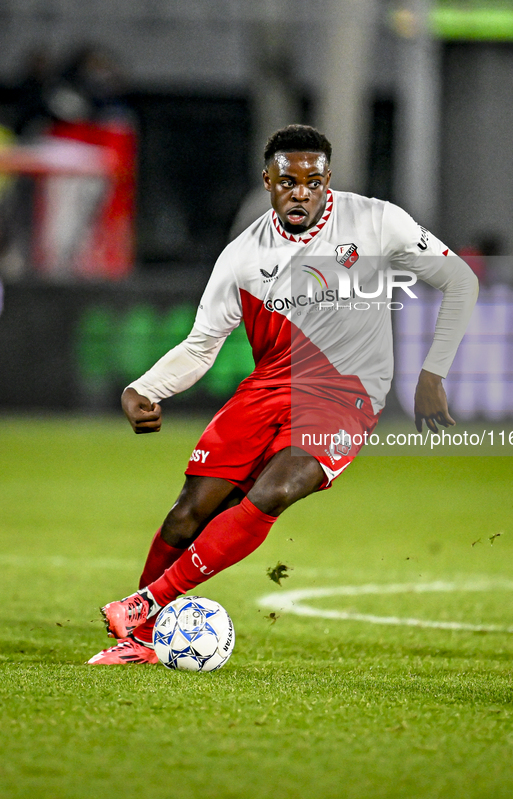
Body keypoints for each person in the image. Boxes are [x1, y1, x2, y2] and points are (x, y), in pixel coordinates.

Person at [88, 124, 478, 665]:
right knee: (186, 516)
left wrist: (433, 373)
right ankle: (141, 642)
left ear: (329, 181)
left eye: (313, 181)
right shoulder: (242, 258)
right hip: (267, 389)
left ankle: (145, 605)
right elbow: (202, 346)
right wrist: (144, 388)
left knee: (278, 488)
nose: (302, 191)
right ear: (267, 180)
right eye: (288, 181)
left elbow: (460, 280)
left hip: (346, 395)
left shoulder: (376, 222)